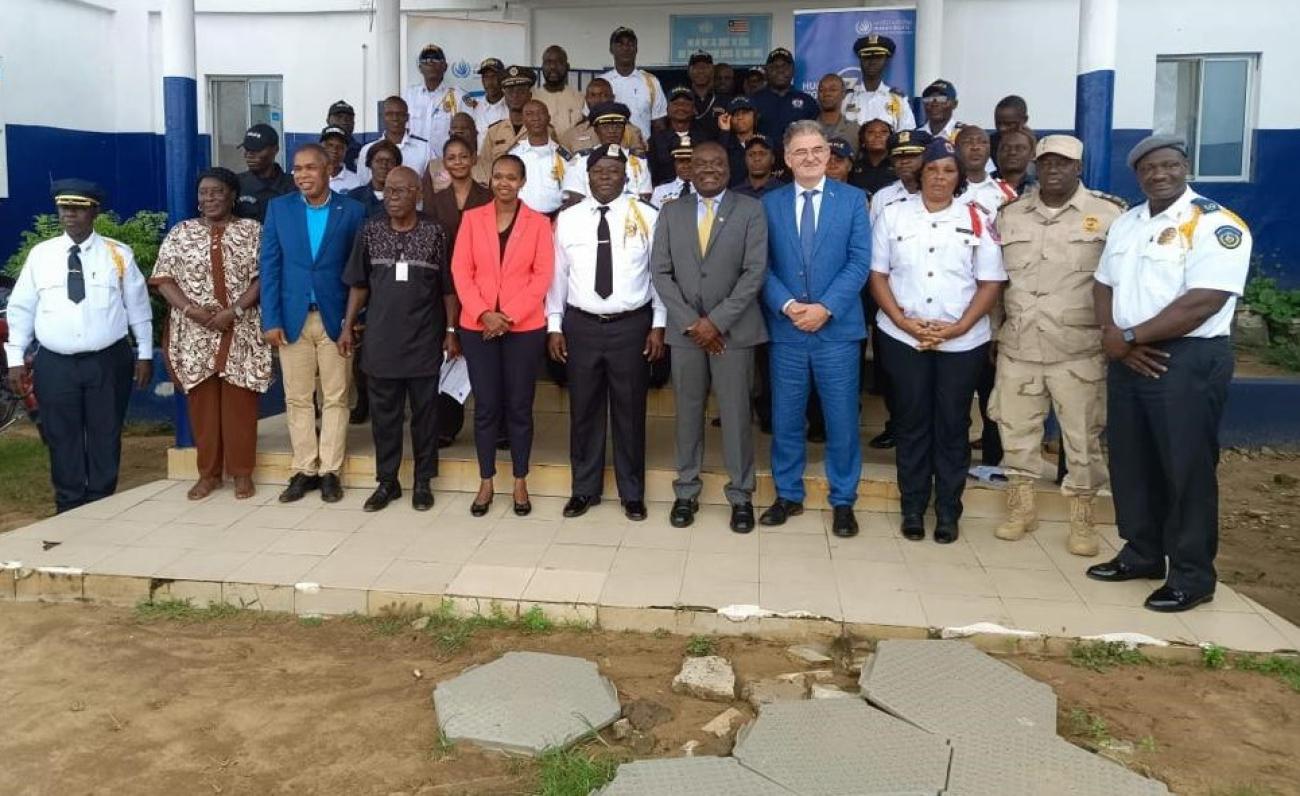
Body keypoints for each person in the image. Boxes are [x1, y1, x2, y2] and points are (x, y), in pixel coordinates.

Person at [1087, 135, 1252, 613]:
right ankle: (1141, 553)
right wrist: (1112, 335)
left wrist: (1132, 337)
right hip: (1127, 353)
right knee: (1132, 461)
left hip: (1186, 361)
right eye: (1149, 168)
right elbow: (1103, 284)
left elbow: (1205, 300)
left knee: (1185, 468)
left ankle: (1192, 574)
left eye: (1168, 165)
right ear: (1138, 175)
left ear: (1185, 167)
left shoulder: (1217, 224)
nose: (1158, 174)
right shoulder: (1128, 223)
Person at [990, 134, 1126, 556]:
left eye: (1063, 163)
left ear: (1079, 168)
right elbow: (996, 281)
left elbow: (1121, 283)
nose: (1053, 169)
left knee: (1083, 438)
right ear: (1035, 165)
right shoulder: (1010, 215)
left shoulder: (1109, 215)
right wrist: (994, 335)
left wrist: (1115, 336)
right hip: (1019, 346)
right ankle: (1021, 509)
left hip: (1078, 349)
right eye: (1046, 162)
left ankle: (1083, 520)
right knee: (1016, 432)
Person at [869, 138, 1006, 543]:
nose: (940, 177)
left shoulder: (979, 216)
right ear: (919, 174)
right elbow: (878, 275)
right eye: (932, 169)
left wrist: (960, 327)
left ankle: (948, 510)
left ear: (959, 177)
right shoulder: (893, 216)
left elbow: (990, 281)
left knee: (952, 425)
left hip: (961, 341)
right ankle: (912, 506)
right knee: (911, 423)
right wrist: (902, 321)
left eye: (948, 170)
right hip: (902, 335)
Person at [4, 180, 152, 514]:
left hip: (108, 360)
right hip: (55, 363)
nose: (69, 214)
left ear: (94, 212)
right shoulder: (41, 256)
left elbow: (138, 308)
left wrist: (144, 352)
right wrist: (15, 358)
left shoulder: (118, 254)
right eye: (63, 207)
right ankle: (68, 504)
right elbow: (21, 309)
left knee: (105, 432)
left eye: (78, 208)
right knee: (61, 434)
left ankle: (100, 501)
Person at [758, 121, 871, 538]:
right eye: (800, 151)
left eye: (817, 150)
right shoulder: (768, 204)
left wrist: (825, 308)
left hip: (836, 331)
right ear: (786, 159)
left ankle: (844, 500)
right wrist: (788, 306)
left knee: (841, 420)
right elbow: (761, 265)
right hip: (787, 330)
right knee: (786, 418)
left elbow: (860, 261)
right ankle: (788, 494)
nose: (809, 157)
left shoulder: (854, 200)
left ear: (829, 154)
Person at [651, 141, 768, 533]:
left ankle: (741, 495)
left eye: (716, 163)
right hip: (686, 335)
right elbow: (661, 273)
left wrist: (715, 322)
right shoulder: (670, 212)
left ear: (728, 168)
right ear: (688, 168)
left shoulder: (750, 210)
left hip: (732, 333)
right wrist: (693, 322)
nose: (708, 169)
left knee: (735, 416)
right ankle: (686, 490)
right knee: (687, 415)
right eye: (699, 163)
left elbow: (754, 272)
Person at [547, 144, 666, 521]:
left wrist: (658, 324)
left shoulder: (648, 215)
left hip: (631, 326)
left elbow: (659, 275)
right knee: (584, 411)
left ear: (626, 176)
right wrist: (554, 324)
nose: (605, 177)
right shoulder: (568, 219)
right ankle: (584, 489)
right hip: (581, 325)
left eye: (614, 171)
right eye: (599, 171)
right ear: (587, 176)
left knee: (630, 411)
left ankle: (632, 493)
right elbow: (557, 277)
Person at [336, 166, 457, 512]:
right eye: (388, 191)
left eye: (401, 191)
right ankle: (387, 482)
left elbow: (448, 288)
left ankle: (422, 481)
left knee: (425, 416)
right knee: (385, 417)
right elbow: (359, 283)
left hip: (424, 339)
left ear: (418, 193)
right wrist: (347, 327)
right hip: (381, 340)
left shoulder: (435, 231)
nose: (392, 198)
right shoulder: (370, 230)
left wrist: (451, 331)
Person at [151, 167, 271, 501]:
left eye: (217, 191)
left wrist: (234, 310)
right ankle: (209, 474)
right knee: (202, 406)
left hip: (241, 328)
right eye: (204, 192)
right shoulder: (181, 232)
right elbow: (164, 279)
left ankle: (242, 473)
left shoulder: (252, 231)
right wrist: (192, 311)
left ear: (232, 194)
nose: (209, 198)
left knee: (241, 404)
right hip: (194, 333)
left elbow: (264, 277)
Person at [260, 144, 366, 504]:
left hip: (335, 319)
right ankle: (305, 467)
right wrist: (271, 318)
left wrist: (354, 322)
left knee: (336, 396)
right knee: (298, 397)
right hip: (291, 320)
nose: (303, 175)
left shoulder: (352, 211)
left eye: (310, 168)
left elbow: (358, 274)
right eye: (297, 169)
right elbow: (270, 268)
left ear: (328, 170)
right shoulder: (279, 209)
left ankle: (330, 470)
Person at [452, 154, 555, 517]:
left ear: (523, 182)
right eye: (498, 177)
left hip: (522, 328)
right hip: (477, 326)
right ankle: (486, 480)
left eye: (512, 177)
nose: (504, 183)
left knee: (519, 408)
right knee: (486, 408)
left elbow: (542, 277)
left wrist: (507, 316)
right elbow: (461, 271)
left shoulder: (539, 224)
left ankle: (521, 480)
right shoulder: (471, 219)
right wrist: (484, 313)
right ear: (490, 179)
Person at [425, 135, 493, 448]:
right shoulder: (436, 201)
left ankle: (496, 426)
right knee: (448, 354)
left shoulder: (488, 196)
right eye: (450, 157)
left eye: (463, 156)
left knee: (484, 354)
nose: (457, 163)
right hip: (444, 285)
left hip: (482, 284)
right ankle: (446, 426)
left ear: (474, 158)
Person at [561, 102, 652, 203]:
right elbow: (574, 199)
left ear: (624, 129)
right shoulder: (581, 161)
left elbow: (645, 198)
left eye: (617, 126)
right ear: (595, 130)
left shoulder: (637, 162)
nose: (612, 131)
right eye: (605, 126)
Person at [750, 48, 818, 164]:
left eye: (785, 66)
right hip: (762, 165)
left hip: (797, 164)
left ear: (792, 71)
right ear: (766, 70)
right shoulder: (753, 100)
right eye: (774, 67)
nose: (780, 71)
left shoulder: (807, 102)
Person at [404, 43, 471, 157]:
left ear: (445, 66)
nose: (430, 64)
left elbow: (468, 133)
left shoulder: (458, 96)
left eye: (436, 60)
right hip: (414, 161)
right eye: (426, 61)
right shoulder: (409, 96)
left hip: (446, 163)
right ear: (420, 68)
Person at [601, 27, 667, 139]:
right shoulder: (601, 82)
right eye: (620, 44)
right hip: (609, 152)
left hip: (642, 151)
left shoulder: (651, 82)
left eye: (630, 44)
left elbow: (659, 125)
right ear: (611, 49)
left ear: (636, 49)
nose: (626, 48)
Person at [843, 35, 915, 132]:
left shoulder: (898, 100)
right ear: (860, 60)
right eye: (867, 57)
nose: (872, 61)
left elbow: (906, 134)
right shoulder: (847, 99)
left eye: (878, 57)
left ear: (886, 61)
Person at [510, 100, 570, 215]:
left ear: (548, 118)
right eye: (529, 114)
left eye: (540, 113)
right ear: (522, 120)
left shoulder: (563, 155)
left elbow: (569, 193)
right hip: (522, 218)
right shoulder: (514, 156)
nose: (535, 118)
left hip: (556, 218)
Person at [558, 78, 647, 155]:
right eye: (593, 95)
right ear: (586, 99)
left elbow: (638, 165)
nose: (598, 100)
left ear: (612, 98)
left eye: (604, 95)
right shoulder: (573, 134)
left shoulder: (631, 132)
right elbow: (563, 166)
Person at [357, 96, 430, 186]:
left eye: (400, 114)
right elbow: (363, 183)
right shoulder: (367, 150)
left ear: (407, 117)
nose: (395, 118)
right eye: (389, 114)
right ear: (383, 117)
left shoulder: (425, 149)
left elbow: (431, 185)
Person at [649, 86, 711, 186]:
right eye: (676, 104)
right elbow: (652, 175)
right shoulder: (656, 140)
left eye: (686, 104)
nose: (681, 108)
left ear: (694, 109)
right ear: (667, 109)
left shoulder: (705, 139)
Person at [234, 124, 295, 223]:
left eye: (257, 150)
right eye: (247, 149)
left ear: (275, 150)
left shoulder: (294, 186)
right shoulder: (235, 184)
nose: (249, 154)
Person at [870, 129, 931, 225]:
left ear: (926, 157)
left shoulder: (939, 193)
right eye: (898, 156)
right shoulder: (882, 197)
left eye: (911, 155)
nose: (904, 161)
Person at [422, 113, 492, 196]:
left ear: (475, 133)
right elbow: (427, 203)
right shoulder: (433, 167)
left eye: (464, 128)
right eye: (454, 128)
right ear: (449, 133)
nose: (459, 131)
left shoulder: (489, 167)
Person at [483, 65, 537, 165]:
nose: (515, 96)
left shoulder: (543, 129)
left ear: (530, 95)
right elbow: (485, 168)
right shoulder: (493, 132)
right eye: (510, 91)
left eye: (521, 91)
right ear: (505, 96)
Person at [955, 125, 1016, 211]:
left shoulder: (1006, 193)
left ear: (989, 149)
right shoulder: (946, 189)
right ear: (956, 149)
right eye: (967, 142)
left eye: (982, 142)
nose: (975, 147)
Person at [536, 45, 587, 136]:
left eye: (559, 62)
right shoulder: (532, 97)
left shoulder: (580, 98)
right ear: (542, 66)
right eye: (548, 62)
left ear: (567, 67)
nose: (553, 67)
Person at [347, 138, 401, 219]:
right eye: (379, 161)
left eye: (389, 161)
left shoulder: (403, 197)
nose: (384, 166)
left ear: (396, 166)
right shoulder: (354, 197)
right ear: (369, 164)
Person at [718, 96, 764, 187]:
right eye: (735, 114)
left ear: (755, 116)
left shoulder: (765, 143)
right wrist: (724, 131)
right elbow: (717, 162)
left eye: (745, 113)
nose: (740, 117)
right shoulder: (724, 142)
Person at [849, 115, 895, 194]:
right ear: (863, 139)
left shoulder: (898, 165)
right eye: (871, 132)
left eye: (884, 132)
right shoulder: (853, 167)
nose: (877, 135)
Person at [687, 50, 728, 139]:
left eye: (705, 67)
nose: (701, 71)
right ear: (689, 71)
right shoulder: (682, 99)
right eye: (696, 67)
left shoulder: (724, 99)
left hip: (717, 150)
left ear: (712, 70)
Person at [816, 74, 860, 153]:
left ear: (843, 94)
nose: (826, 94)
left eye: (832, 90)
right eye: (822, 90)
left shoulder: (855, 130)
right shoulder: (807, 129)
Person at [732, 135, 784, 199]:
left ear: (772, 159)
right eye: (751, 154)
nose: (757, 158)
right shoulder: (734, 194)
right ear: (745, 159)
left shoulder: (783, 192)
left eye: (762, 153)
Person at [471, 58, 508, 147]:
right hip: (481, 159)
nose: (490, 82)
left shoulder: (512, 105)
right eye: (486, 77)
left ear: (502, 78)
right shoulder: (475, 107)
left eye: (494, 76)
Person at [650, 138, 695, 207]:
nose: (686, 166)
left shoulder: (706, 190)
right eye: (681, 161)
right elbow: (653, 215)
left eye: (689, 161)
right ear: (675, 164)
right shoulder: (661, 191)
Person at [990, 95, 1029, 171]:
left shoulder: (1038, 146)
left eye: (1009, 124)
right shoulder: (989, 144)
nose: (1002, 128)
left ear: (1024, 120)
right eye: (998, 123)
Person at [993, 128, 1037, 195]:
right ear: (997, 152)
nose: (1012, 152)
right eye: (1006, 148)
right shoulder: (980, 185)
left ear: (1032, 155)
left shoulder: (1040, 190)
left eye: (1020, 148)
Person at [321, 126, 363, 194]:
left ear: (345, 150)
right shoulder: (310, 177)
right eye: (330, 145)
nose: (334, 150)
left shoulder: (356, 182)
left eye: (340, 147)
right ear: (321, 148)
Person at [326, 100, 363, 172]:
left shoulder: (363, 152)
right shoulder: (317, 152)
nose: (344, 121)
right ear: (328, 120)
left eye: (349, 118)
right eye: (339, 117)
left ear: (354, 123)